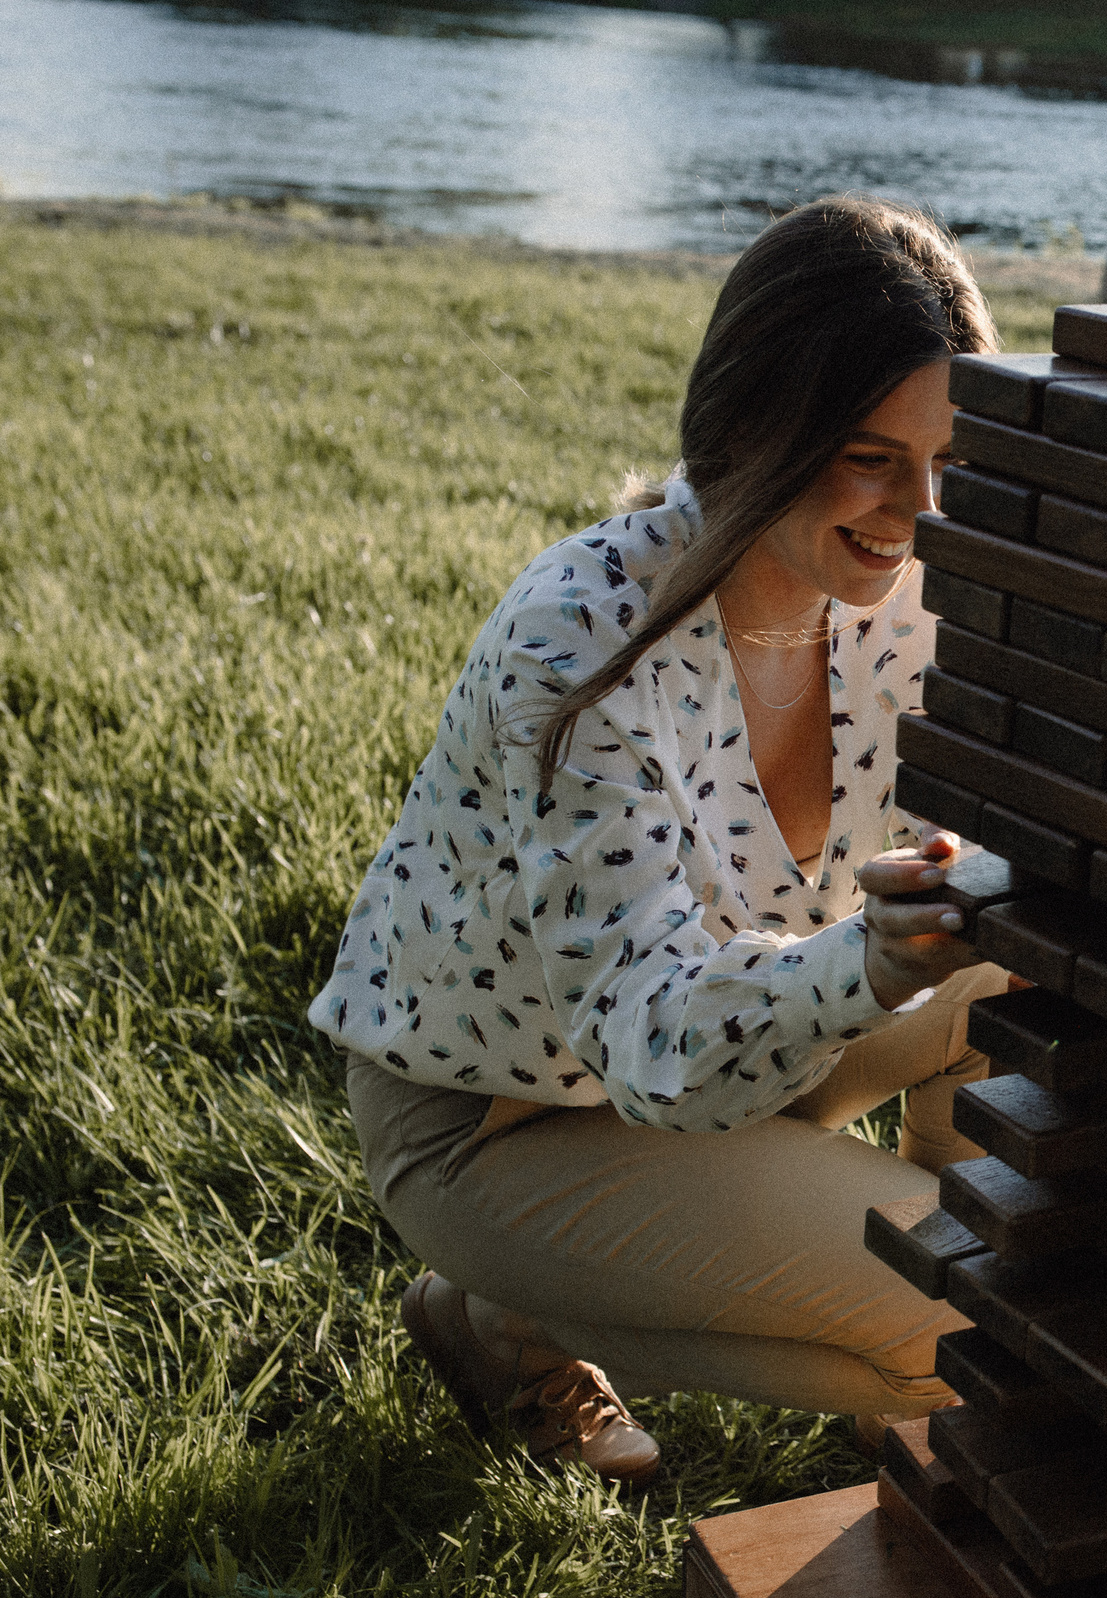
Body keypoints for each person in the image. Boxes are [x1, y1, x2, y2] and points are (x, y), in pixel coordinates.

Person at [309, 196, 1014, 1486]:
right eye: (869, 458)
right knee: (988, 1317)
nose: (918, 509)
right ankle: (505, 1310)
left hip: (747, 1045)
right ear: (751, 426)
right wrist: (867, 964)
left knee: (1019, 974)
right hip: (504, 1119)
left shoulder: (901, 594)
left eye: (946, 460)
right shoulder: (581, 632)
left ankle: (914, 1379)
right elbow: (650, 1037)